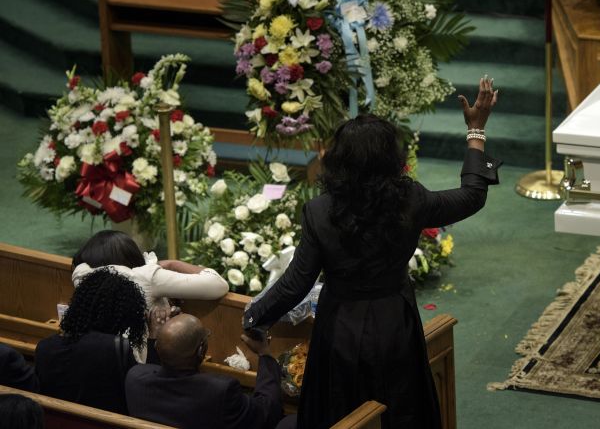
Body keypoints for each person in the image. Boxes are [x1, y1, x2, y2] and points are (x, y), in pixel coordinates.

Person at [243, 78, 501, 428]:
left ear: (339, 161)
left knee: (341, 411)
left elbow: (296, 283)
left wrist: (255, 316)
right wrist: (476, 130)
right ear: (391, 159)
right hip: (395, 323)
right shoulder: (413, 200)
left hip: (339, 331)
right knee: (400, 409)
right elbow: (473, 195)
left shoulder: (320, 211)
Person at [71, 230, 229, 361]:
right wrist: (173, 264)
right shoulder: (144, 276)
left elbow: (80, 264)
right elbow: (218, 285)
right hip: (140, 366)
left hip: (92, 360)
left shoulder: (82, 277)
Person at [35, 268, 167, 414]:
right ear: (121, 317)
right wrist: (155, 336)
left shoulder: (44, 347)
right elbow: (146, 389)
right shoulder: (114, 348)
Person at [126, 314, 290, 429]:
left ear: (156, 347)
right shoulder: (220, 391)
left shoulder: (135, 378)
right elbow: (268, 414)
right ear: (201, 351)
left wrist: (157, 337)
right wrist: (265, 354)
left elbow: (154, 375)